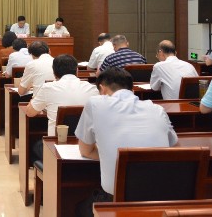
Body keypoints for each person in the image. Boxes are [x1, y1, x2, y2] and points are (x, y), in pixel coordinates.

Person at [75, 67, 178, 215]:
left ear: (102, 90)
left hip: (116, 201)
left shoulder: (95, 103)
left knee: (79, 208)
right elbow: (172, 147)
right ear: (133, 90)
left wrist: (111, 154)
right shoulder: (157, 110)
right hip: (161, 200)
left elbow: (85, 151)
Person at [25, 54, 98, 161]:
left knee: (34, 146)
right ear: (77, 71)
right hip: (88, 147)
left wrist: (34, 98)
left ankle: (49, 168)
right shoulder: (92, 89)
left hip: (56, 146)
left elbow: (30, 113)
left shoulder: (48, 88)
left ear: (54, 73)